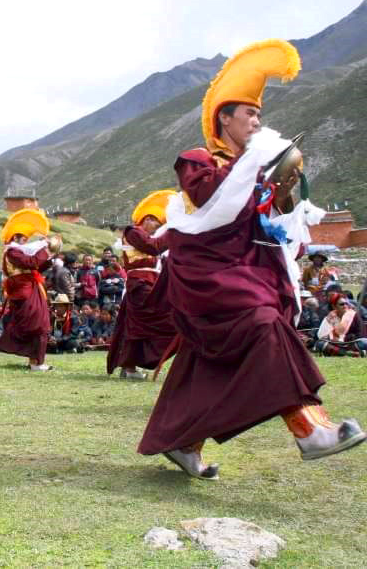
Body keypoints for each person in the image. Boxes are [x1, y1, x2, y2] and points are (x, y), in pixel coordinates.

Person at [137, 40, 364, 479]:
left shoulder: (254, 166)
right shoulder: (197, 160)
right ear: (225, 117)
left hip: (245, 273)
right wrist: (254, 168)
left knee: (205, 366)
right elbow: (209, 202)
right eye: (250, 115)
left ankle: (183, 442)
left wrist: (279, 188)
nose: (258, 123)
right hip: (210, 281)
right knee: (264, 327)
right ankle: (310, 429)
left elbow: (268, 225)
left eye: (260, 115)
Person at [105, 190, 178, 380]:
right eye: (157, 222)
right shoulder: (133, 232)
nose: (157, 227)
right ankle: (129, 368)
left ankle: (129, 367)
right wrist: (175, 228)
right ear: (147, 219)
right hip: (140, 285)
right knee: (155, 322)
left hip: (151, 284)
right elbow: (154, 247)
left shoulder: (147, 237)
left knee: (137, 327)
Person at [0, 209, 55, 372]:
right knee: (32, 325)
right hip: (24, 290)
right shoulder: (12, 252)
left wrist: (50, 259)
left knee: (36, 324)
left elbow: (34, 266)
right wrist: (44, 249)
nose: (25, 242)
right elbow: (29, 263)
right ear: (15, 237)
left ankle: (35, 361)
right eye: (23, 239)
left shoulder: (17, 252)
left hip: (30, 288)